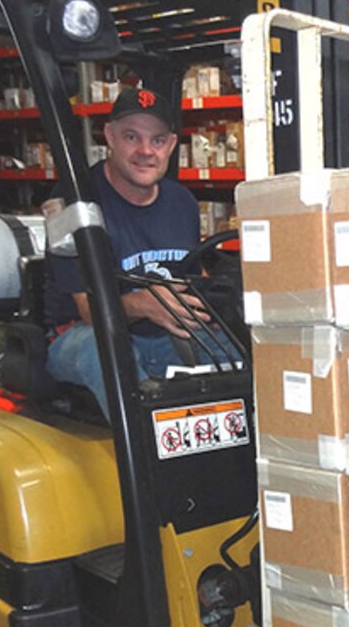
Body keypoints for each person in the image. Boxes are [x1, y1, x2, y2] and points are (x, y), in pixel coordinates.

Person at [44, 85, 224, 419]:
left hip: (165, 332)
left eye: (157, 140)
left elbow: (194, 277)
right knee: (108, 352)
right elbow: (85, 310)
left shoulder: (181, 201)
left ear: (170, 145)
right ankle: (150, 461)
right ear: (109, 137)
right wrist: (141, 303)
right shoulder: (73, 202)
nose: (145, 151)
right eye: (131, 137)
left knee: (237, 352)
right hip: (82, 335)